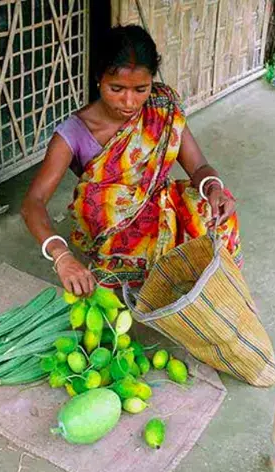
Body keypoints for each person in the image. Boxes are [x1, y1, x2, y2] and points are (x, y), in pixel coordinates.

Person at [21, 25, 242, 296]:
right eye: (116, 88)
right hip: (113, 219)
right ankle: (148, 281)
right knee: (111, 212)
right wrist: (61, 255)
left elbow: (198, 166)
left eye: (141, 89)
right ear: (98, 79)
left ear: (152, 82)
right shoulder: (74, 133)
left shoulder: (163, 106)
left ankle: (195, 290)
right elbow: (34, 201)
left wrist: (214, 189)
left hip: (160, 202)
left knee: (214, 213)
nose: (129, 101)